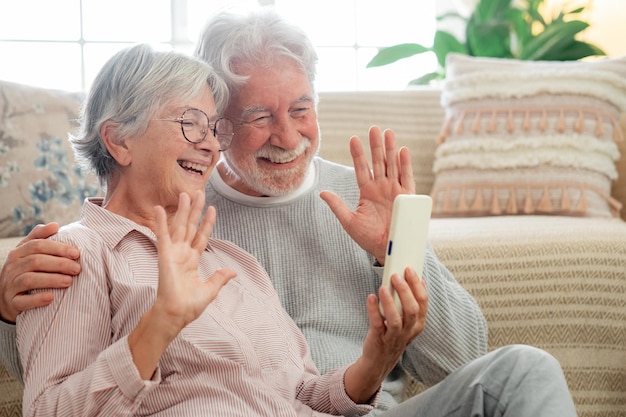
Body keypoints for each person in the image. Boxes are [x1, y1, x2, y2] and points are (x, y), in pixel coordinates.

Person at [1, 8, 578, 417]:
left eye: (300, 109)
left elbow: (465, 359)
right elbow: (50, 374)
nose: (288, 135)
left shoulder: (244, 252)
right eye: (256, 118)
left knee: (523, 371)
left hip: (353, 407)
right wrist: (4, 308)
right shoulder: (122, 236)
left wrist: (397, 255)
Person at [17, 43, 430, 416]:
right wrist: (161, 322)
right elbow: (48, 409)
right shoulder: (75, 252)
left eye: (215, 129)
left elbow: (302, 392)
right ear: (119, 141)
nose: (213, 145)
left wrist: (374, 364)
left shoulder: (234, 262)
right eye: (191, 123)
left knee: (496, 376)